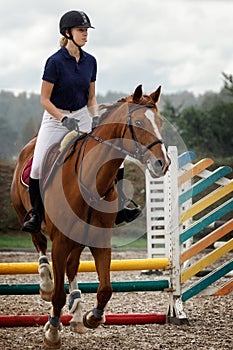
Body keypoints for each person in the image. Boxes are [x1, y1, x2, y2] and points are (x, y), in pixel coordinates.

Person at [22, 10, 141, 233]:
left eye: (86, 30)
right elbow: (44, 99)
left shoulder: (91, 62)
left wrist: (95, 118)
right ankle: (37, 215)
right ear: (68, 33)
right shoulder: (54, 62)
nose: (86, 34)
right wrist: (63, 118)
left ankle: (120, 208)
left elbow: (91, 97)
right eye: (81, 30)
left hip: (82, 114)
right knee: (37, 166)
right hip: (55, 118)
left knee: (115, 155)